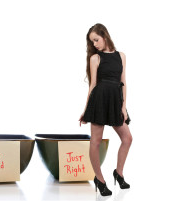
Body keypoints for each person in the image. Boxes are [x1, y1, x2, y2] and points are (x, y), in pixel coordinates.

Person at [78, 23, 133, 196]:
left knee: (127, 138)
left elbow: (123, 82)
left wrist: (123, 107)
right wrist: (86, 110)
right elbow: (93, 85)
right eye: (92, 42)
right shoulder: (95, 58)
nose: (94, 44)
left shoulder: (121, 56)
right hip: (100, 100)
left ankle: (119, 173)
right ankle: (100, 179)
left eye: (96, 40)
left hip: (115, 101)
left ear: (105, 36)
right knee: (95, 141)